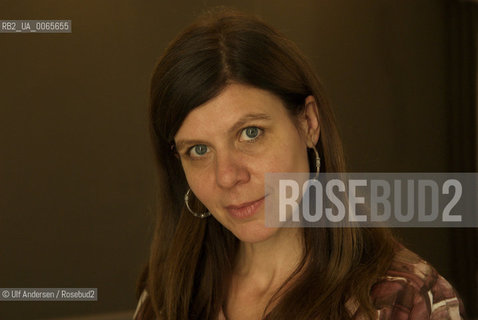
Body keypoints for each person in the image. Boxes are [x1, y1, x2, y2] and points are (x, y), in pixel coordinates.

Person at [134, 8, 465, 320]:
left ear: (308, 122)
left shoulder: (405, 301)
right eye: (199, 150)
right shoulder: (168, 290)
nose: (227, 176)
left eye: (250, 133)